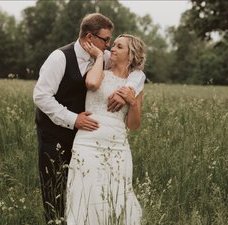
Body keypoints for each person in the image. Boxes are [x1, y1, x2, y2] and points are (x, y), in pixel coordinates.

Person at [33, 13, 145, 223]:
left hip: (90, 135)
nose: (109, 45)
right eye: (106, 40)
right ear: (88, 37)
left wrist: (128, 91)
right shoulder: (59, 58)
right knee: (54, 191)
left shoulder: (105, 58)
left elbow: (136, 72)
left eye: (112, 41)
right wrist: (74, 119)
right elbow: (40, 96)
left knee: (98, 193)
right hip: (55, 134)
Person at [65, 34, 145, 224]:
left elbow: (133, 126)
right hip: (88, 142)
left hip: (118, 146)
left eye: (119, 46)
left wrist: (133, 104)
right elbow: (91, 84)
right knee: (86, 192)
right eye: (113, 45)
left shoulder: (135, 85)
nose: (113, 49)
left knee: (117, 193)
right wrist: (100, 56)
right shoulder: (100, 72)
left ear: (131, 55)